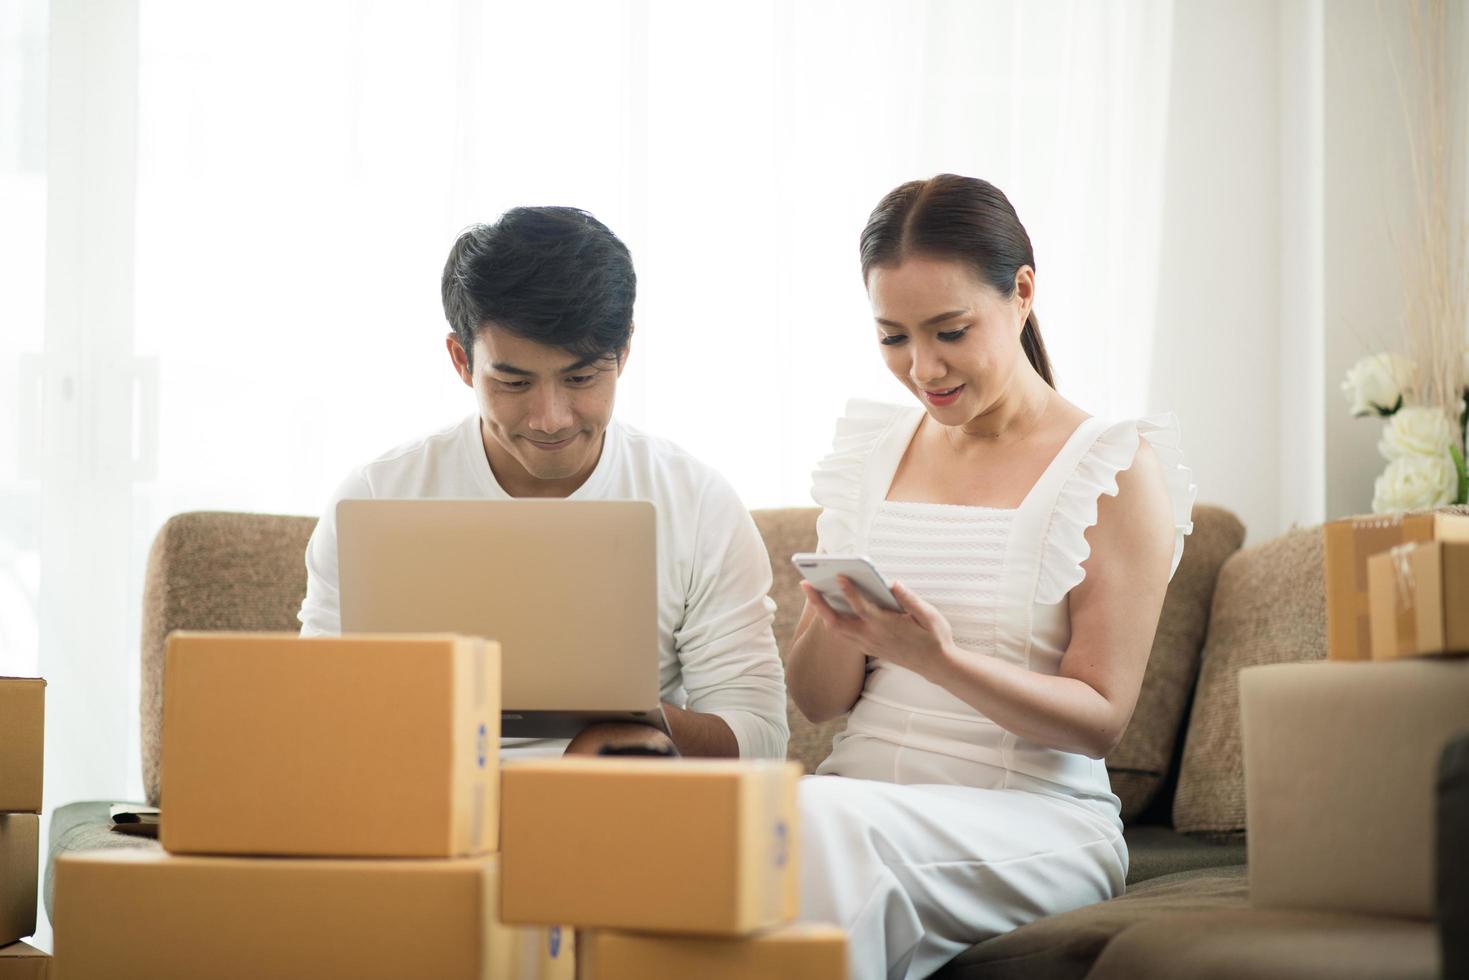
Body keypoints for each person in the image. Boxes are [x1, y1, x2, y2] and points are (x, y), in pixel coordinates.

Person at [787, 175, 1195, 979]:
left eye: (949, 330)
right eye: (893, 337)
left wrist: (934, 659)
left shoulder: (1110, 467)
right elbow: (815, 700)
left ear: (1022, 292)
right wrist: (840, 626)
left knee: (813, 826)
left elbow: (1099, 718)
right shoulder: (870, 456)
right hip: (856, 799)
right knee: (771, 820)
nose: (921, 367)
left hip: (1031, 820)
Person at [298, 206, 789, 760]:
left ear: (623, 353)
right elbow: (319, 710)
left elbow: (761, 736)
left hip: (616, 802)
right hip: (419, 801)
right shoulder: (373, 498)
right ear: (462, 361)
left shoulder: (698, 505)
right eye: (513, 381)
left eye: (581, 378)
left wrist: (648, 721)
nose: (550, 417)